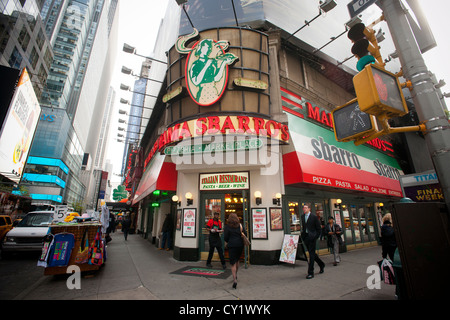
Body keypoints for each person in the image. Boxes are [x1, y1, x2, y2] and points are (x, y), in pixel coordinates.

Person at [301, 203, 325, 279]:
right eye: (303, 208)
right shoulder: (302, 216)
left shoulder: (314, 217)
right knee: (312, 254)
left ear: (309, 209)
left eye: (305, 208)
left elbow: (319, 229)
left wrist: (315, 237)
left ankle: (310, 272)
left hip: (312, 238)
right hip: (306, 237)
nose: (304, 209)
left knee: (311, 255)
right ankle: (321, 264)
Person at [224, 213, 246, 289]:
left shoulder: (227, 227)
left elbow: (225, 237)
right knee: (237, 260)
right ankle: (236, 274)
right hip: (240, 245)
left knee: (232, 263)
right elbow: (245, 234)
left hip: (232, 245)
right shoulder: (240, 225)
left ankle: (234, 280)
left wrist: (229, 241)